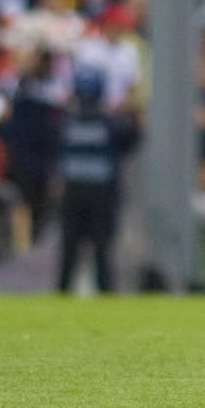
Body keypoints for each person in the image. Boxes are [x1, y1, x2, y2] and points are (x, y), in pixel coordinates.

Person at [56, 66, 136, 293]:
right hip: (96, 194)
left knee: (83, 251)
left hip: (82, 193)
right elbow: (130, 141)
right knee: (91, 250)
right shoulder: (107, 123)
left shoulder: (69, 121)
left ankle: (70, 293)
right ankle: (98, 292)